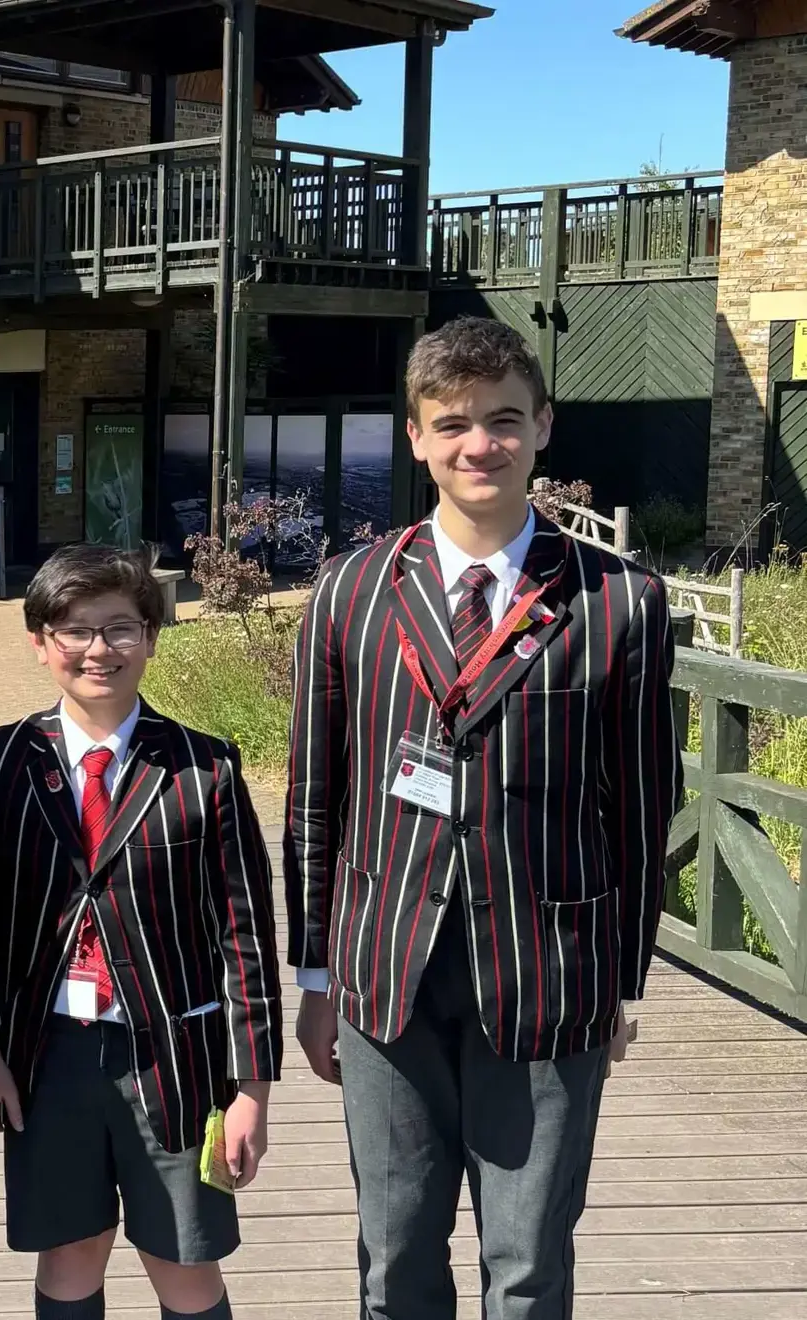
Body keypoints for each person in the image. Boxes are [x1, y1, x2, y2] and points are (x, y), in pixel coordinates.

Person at [285, 317, 680, 1320]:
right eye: (453, 423)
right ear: (415, 436)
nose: (480, 444)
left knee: (529, 1265)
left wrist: (620, 980)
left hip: (549, 972)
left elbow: (643, 809)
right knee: (394, 1259)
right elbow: (317, 796)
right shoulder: (349, 592)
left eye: (504, 420)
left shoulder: (620, 601)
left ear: (543, 426)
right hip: (386, 970)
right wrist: (316, 975)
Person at [0, 543, 281, 1320]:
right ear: (40, 642)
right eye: (74, 630)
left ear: (151, 637)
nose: (97, 650)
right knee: (69, 1255)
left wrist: (251, 1091)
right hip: (48, 1055)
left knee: (185, 1261)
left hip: (175, 1058)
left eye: (119, 628)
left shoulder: (203, 769)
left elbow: (244, 936)